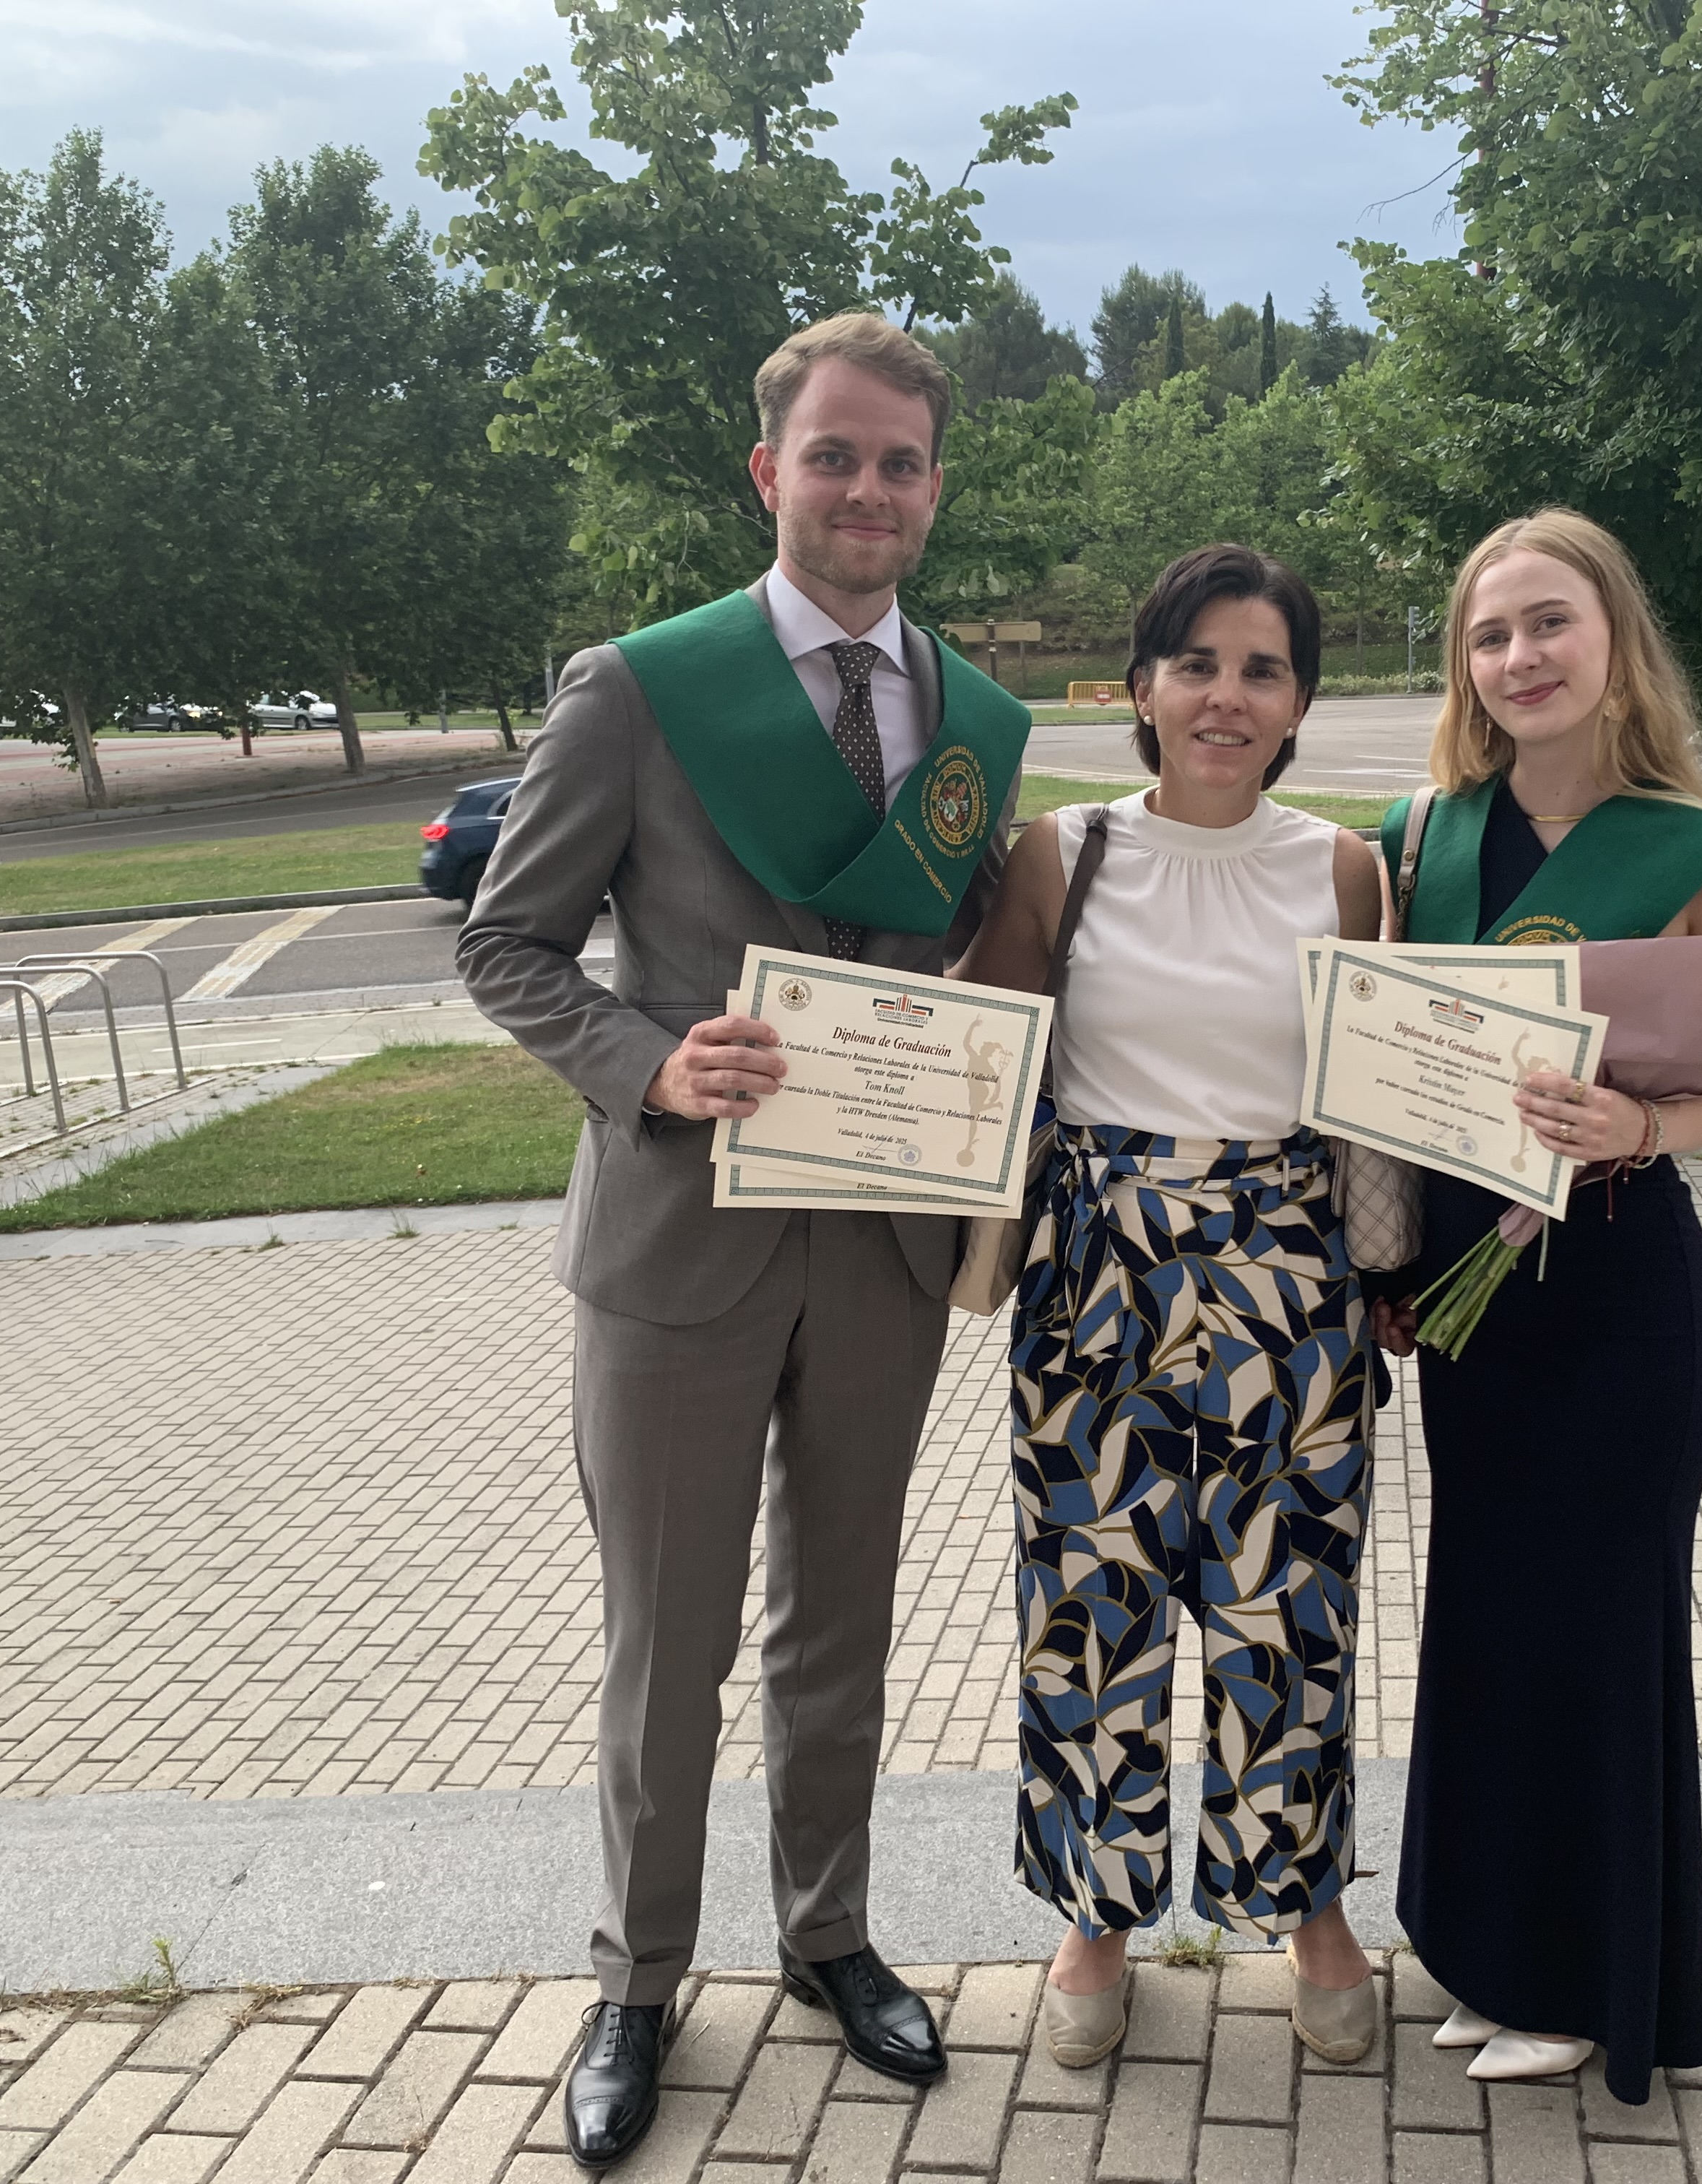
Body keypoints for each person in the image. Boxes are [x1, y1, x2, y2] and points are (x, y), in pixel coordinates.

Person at [458, 313, 1029, 2170]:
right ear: (768, 469)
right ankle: (638, 1979)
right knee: (668, 1639)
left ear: (935, 491)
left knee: (840, 1625)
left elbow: (954, 964)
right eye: (838, 454)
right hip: (680, 1246)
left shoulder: (973, 716)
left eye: (903, 462)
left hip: (875, 1243)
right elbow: (508, 945)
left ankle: (832, 1935)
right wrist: (650, 1060)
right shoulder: (638, 687)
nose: (870, 489)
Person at [958, 544, 1388, 2072]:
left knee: (1292, 1610)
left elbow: (1383, 1093)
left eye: (1262, 668)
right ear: (1140, 687)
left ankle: (1309, 1903)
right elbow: (983, 1051)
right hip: (1096, 1276)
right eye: (1196, 662)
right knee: (1095, 1605)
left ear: (1299, 702)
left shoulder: (1346, 866)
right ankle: (1098, 1908)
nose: (1226, 694)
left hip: (1290, 1276)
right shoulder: (1057, 855)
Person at [1372, 508, 1702, 2103]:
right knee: (1485, 1619)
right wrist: (1392, 1263)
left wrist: (1652, 1125)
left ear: (1615, 638)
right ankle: (1486, 1949)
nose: (1520, 658)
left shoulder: (1696, 847)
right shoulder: (1427, 831)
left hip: (1615, 1289)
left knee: (1597, 1638)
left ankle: (1593, 1982)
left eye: (1550, 623)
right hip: (1475, 1300)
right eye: (1490, 634)